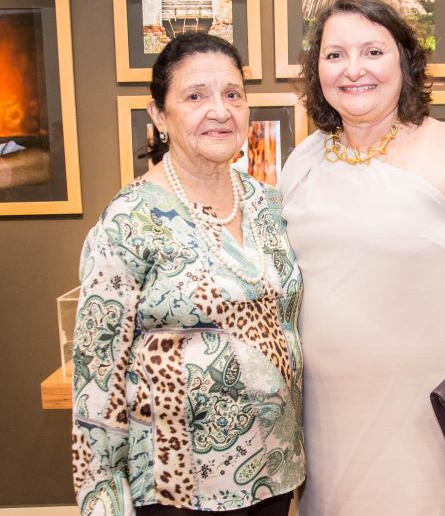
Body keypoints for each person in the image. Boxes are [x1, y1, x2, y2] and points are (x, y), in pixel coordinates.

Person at [279, 0, 445, 516]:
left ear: (404, 61)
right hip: (325, 420)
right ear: (317, 70)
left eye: (373, 51)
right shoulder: (301, 161)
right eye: (334, 55)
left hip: (426, 417)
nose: (353, 69)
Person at [71, 33, 304, 516]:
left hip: (275, 471)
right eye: (195, 96)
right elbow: (97, 378)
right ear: (159, 115)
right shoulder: (129, 220)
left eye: (232, 94)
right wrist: (103, 496)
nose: (220, 110)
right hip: (176, 487)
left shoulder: (268, 204)